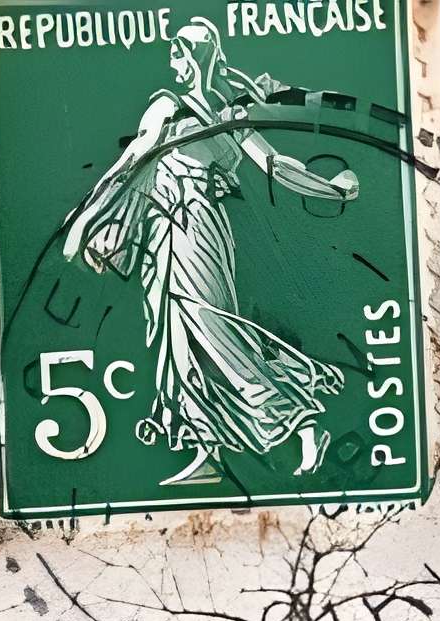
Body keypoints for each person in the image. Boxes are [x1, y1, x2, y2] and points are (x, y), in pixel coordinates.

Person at [60, 19, 360, 485]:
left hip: (199, 227)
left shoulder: (220, 111)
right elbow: (130, 163)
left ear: (198, 55)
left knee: (210, 324)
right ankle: (207, 454)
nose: (174, 64)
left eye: (180, 54)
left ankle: (300, 423)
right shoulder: (170, 107)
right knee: (174, 336)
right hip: (166, 226)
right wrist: (88, 215)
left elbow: (276, 166)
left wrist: (333, 190)